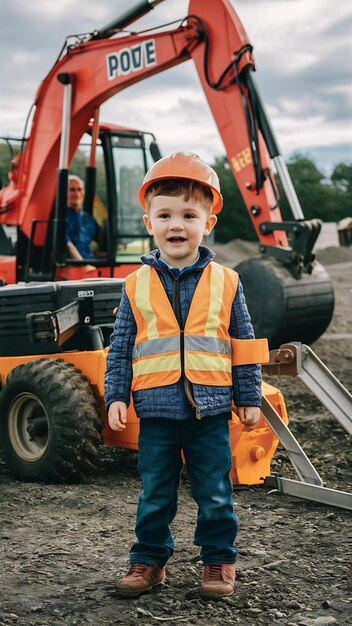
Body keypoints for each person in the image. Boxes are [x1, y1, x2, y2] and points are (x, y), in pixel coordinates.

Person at [104, 152, 268, 600]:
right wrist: (115, 395)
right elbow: (120, 348)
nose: (177, 224)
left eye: (189, 215)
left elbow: (244, 344)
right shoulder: (134, 283)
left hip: (211, 411)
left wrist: (248, 396)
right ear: (149, 222)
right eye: (166, 215)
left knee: (215, 493)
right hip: (155, 411)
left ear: (208, 223)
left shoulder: (227, 281)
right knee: (155, 493)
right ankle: (149, 561)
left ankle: (218, 563)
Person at [65, 175, 100, 260]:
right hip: (72, 266)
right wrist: (83, 265)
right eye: (72, 190)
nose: (76, 194)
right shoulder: (61, 219)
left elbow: (100, 239)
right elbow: (68, 246)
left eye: (79, 189)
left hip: (90, 264)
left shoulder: (88, 219)